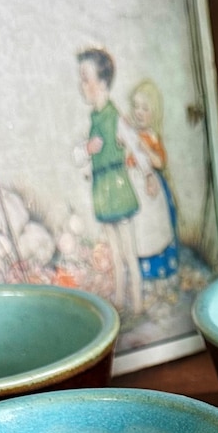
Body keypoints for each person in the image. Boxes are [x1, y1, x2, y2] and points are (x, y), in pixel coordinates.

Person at [77, 47, 144, 312]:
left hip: (117, 184)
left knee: (128, 249)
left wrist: (148, 173)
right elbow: (80, 155)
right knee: (115, 251)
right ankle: (119, 299)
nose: (82, 85)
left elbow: (135, 146)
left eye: (86, 78)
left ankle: (137, 303)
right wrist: (86, 150)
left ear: (102, 83)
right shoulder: (94, 119)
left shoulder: (114, 117)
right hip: (102, 188)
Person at [127, 80, 179, 285]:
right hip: (134, 185)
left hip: (151, 189)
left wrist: (145, 148)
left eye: (144, 108)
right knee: (138, 228)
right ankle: (141, 271)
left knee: (154, 226)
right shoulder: (130, 135)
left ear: (154, 112)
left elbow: (159, 161)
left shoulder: (151, 136)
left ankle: (159, 270)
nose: (138, 112)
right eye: (136, 106)